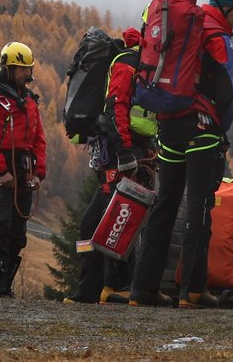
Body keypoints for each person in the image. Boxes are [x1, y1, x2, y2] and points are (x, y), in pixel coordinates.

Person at [130, 0, 233, 308]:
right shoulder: (216, 35)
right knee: (200, 205)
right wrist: (222, 131)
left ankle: (143, 288)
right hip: (202, 127)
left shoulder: (190, 25)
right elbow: (226, 91)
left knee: (166, 203)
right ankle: (192, 291)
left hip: (169, 124)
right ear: (226, 5)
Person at [71, 25, 155, 304]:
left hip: (123, 151)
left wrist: (125, 150)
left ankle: (111, 287)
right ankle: (100, 288)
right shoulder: (133, 63)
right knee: (107, 221)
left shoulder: (132, 63)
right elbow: (117, 107)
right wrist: (126, 150)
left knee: (112, 220)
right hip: (126, 150)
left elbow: (118, 107)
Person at [0, 41, 46, 298]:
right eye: (22, 69)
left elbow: (39, 139)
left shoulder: (29, 100)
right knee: (0, 227)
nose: (27, 74)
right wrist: (0, 170)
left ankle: (5, 286)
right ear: (8, 68)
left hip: (23, 170)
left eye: (29, 69)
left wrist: (38, 172)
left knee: (18, 234)